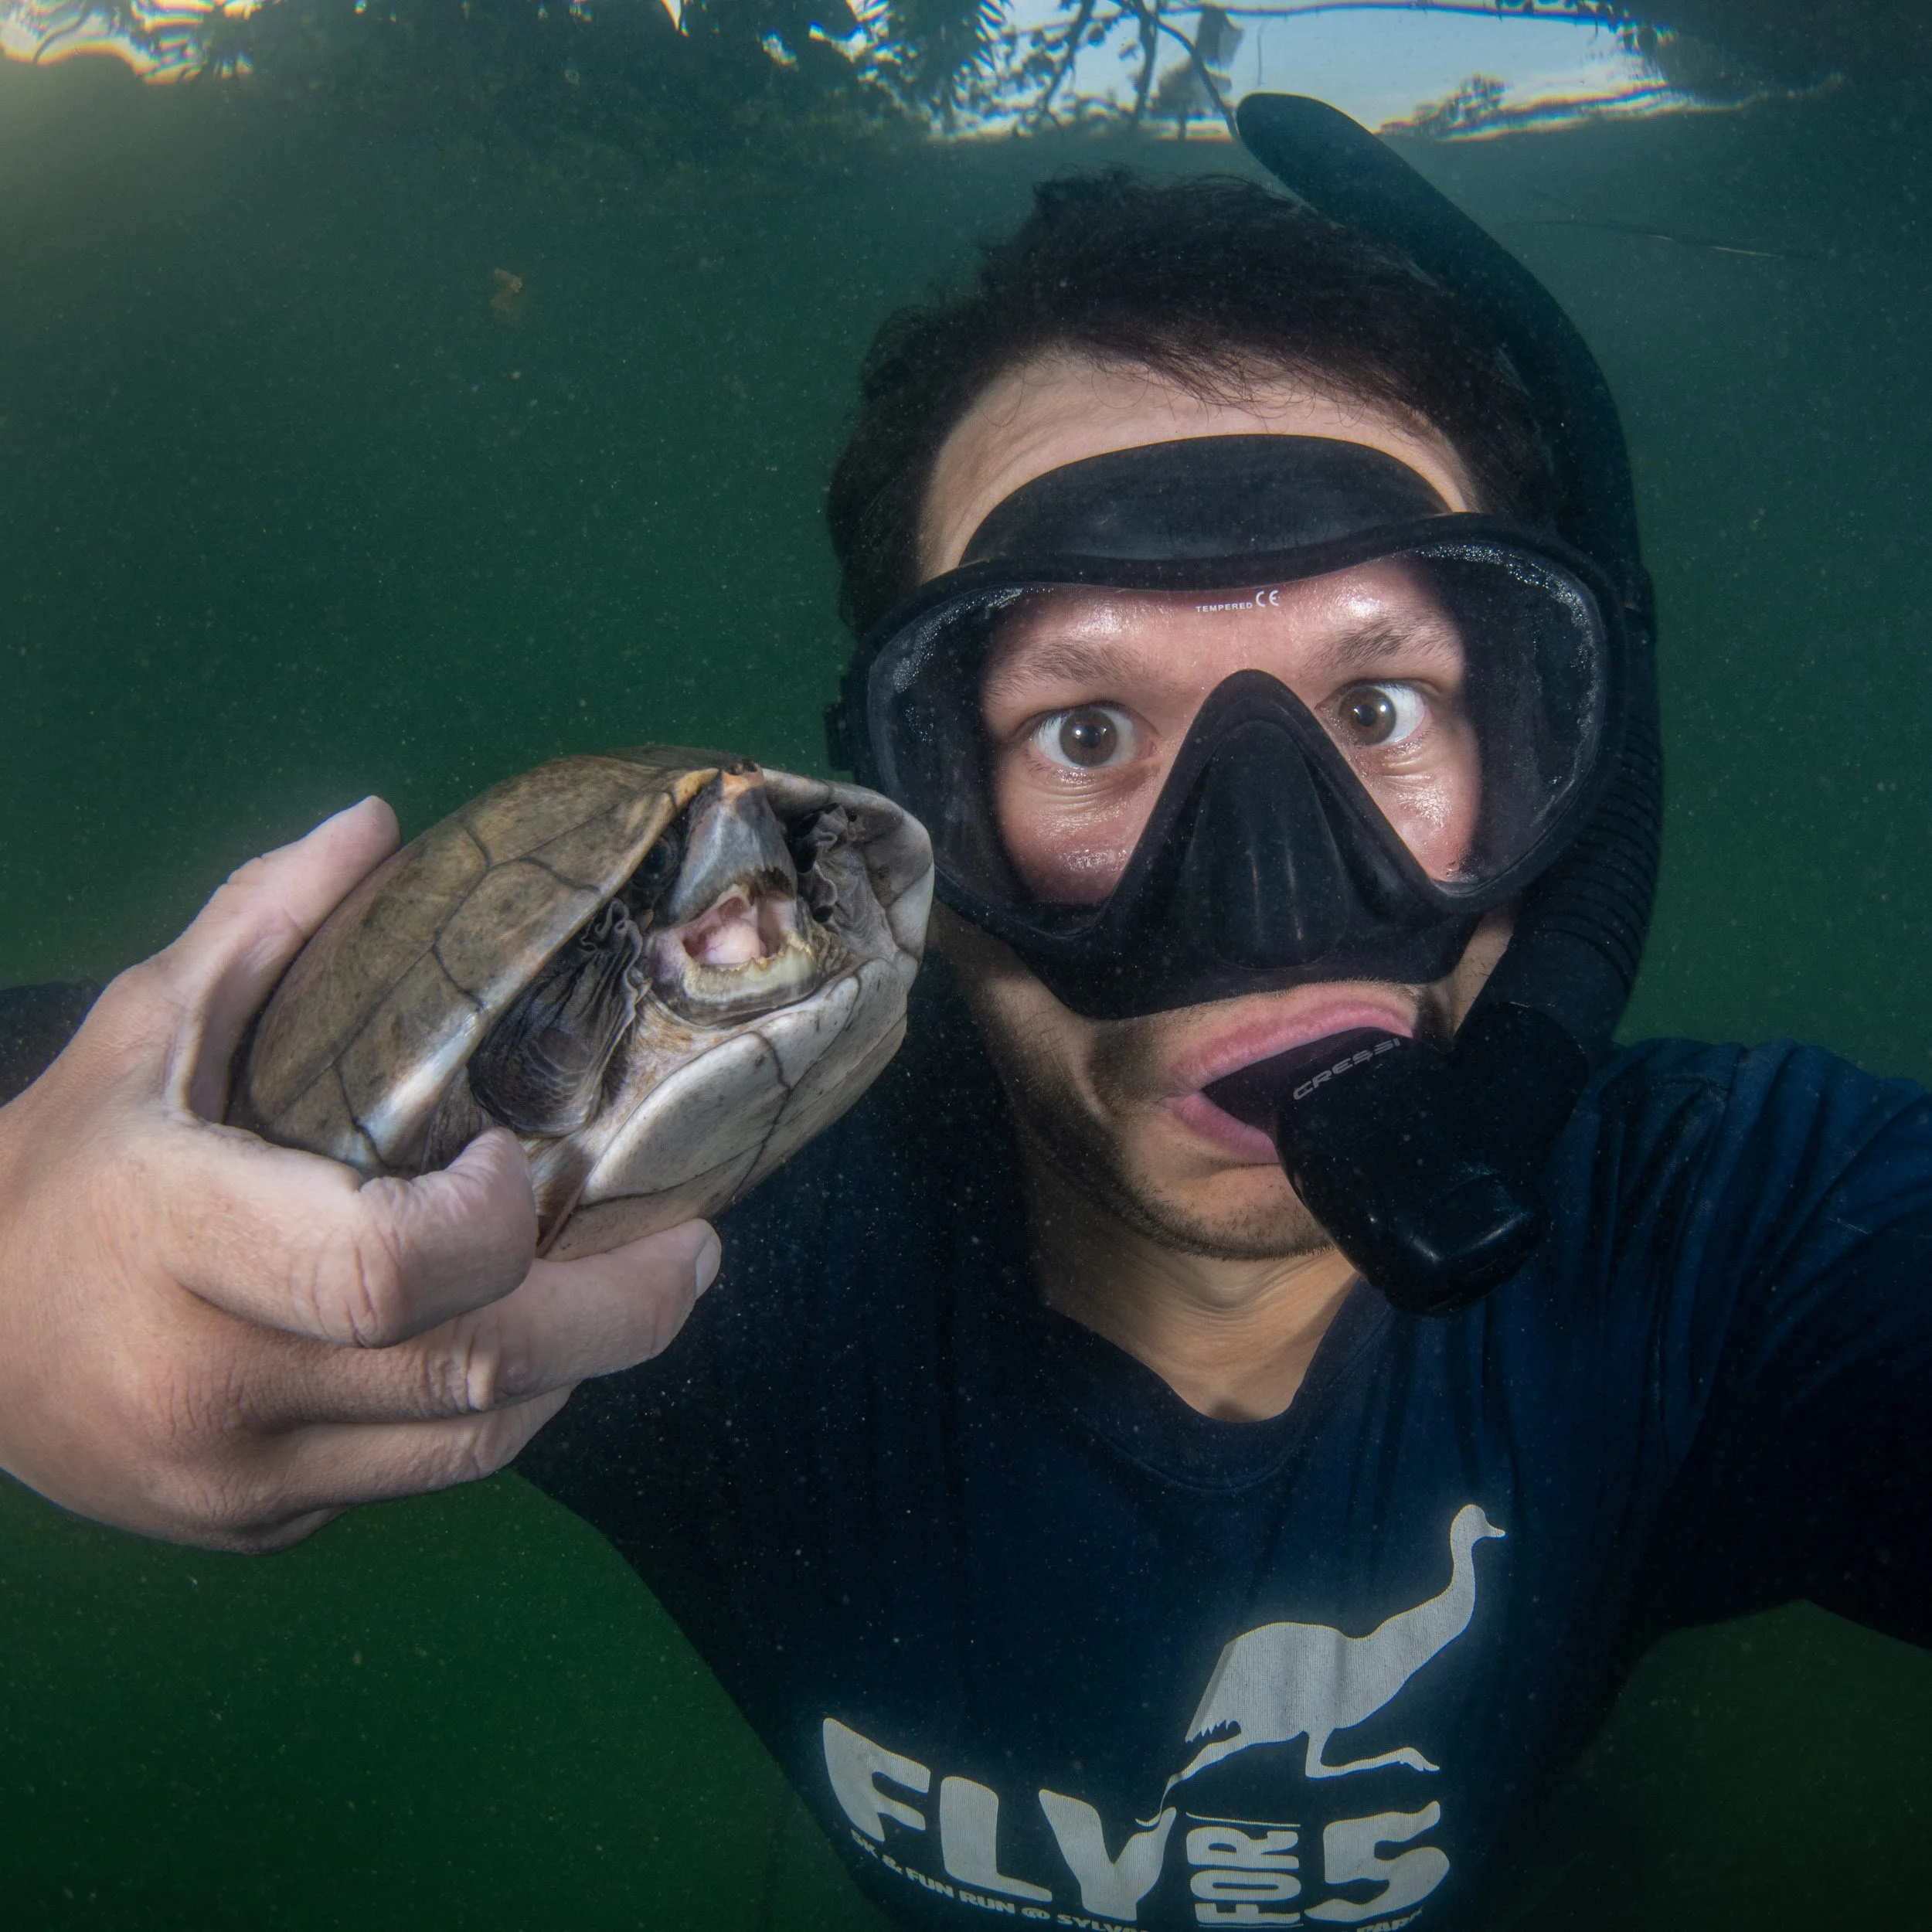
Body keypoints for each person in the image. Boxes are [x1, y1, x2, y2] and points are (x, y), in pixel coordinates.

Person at [2, 100, 1928, 1930]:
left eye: (1377, 708)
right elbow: (91, 1125)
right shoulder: (661, 1266)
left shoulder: (1739, 1244)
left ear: (1555, 766)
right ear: (912, 802)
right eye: (1081, 731)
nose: (1263, 899)